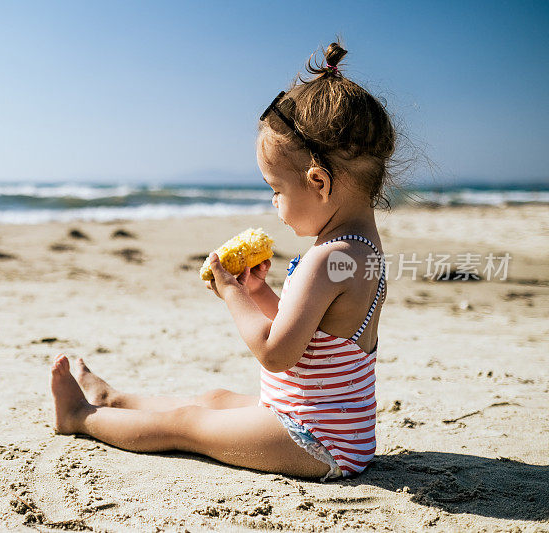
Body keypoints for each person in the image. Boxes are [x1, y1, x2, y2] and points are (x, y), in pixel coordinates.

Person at [49, 41, 396, 481]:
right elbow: (316, 334)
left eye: (276, 190)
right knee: (213, 399)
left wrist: (232, 292)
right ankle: (114, 401)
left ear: (319, 182)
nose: (274, 203)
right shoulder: (363, 252)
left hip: (314, 438)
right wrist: (259, 291)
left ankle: (80, 417)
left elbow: (276, 353)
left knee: (187, 424)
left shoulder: (325, 261)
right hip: (342, 432)